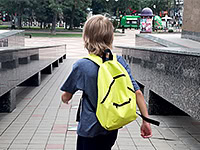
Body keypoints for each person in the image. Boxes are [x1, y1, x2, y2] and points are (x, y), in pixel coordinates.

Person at [60, 15, 152, 150]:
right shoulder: (118, 61)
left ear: (86, 37)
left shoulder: (81, 65)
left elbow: (66, 96)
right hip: (111, 125)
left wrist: (65, 98)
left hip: (89, 128)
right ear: (110, 37)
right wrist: (146, 121)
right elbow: (137, 92)